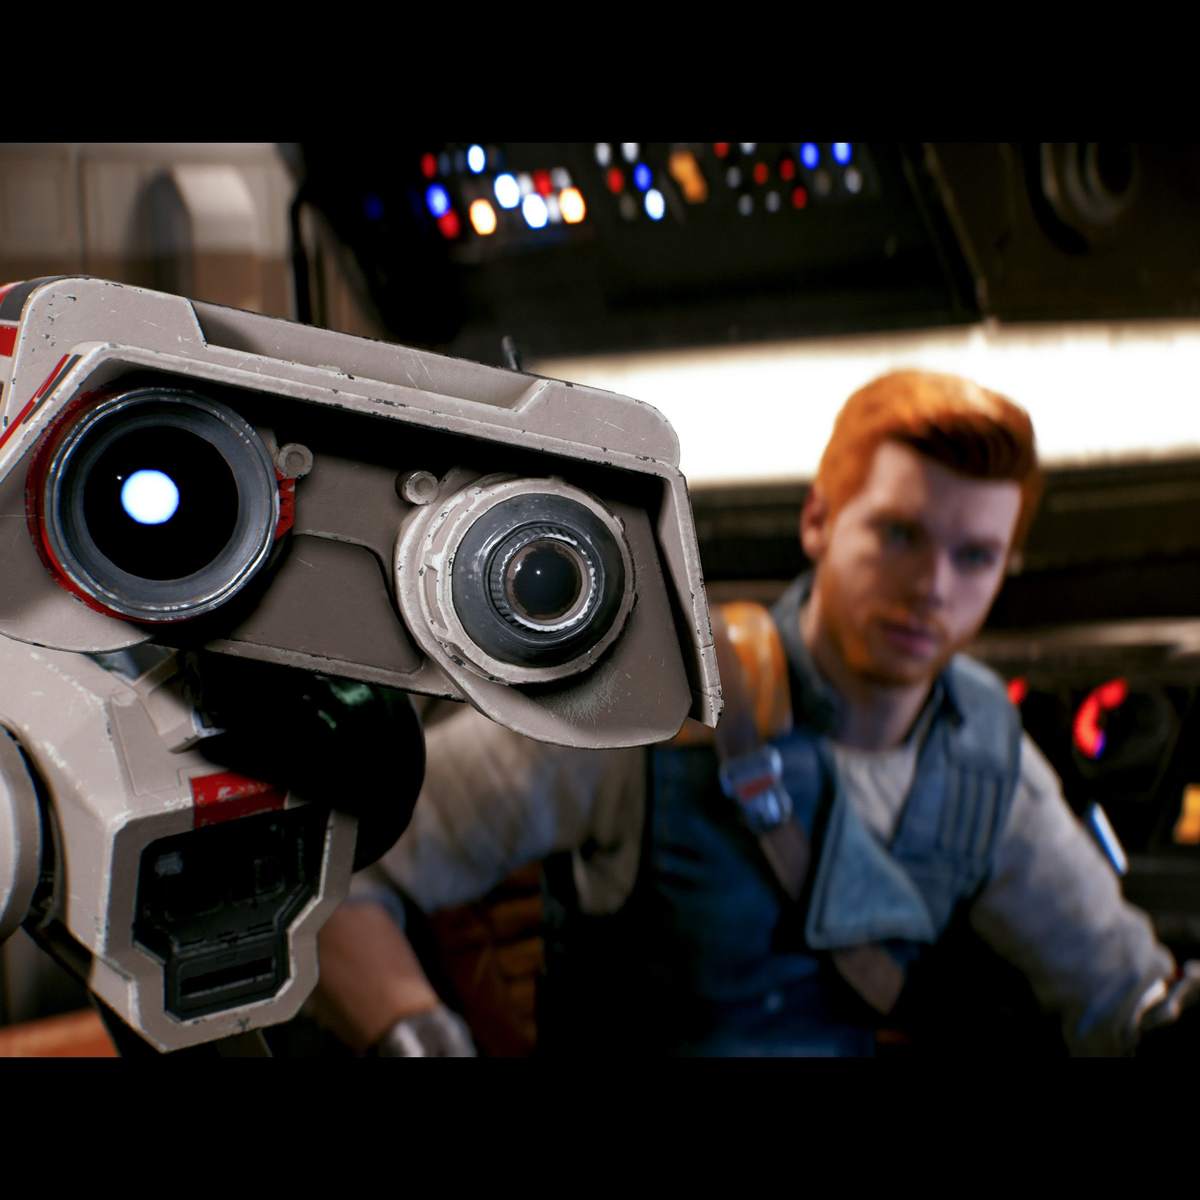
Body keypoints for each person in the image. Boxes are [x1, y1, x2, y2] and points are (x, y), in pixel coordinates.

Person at [325, 369, 1198, 1057]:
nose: (933, 587)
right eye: (899, 535)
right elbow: (340, 870)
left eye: (974, 556)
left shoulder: (984, 757)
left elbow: (1125, 996)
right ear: (820, 520)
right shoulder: (658, 705)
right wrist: (417, 1037)